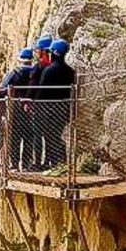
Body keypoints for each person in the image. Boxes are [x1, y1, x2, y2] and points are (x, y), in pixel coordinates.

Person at [36, 38, 77, 169]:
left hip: (48, 109)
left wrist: (35, 105)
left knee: (49, 137)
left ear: (53, 52)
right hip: (63, 108)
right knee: (56, 135)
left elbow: (41, 91)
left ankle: (53, 162)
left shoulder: (48, 71)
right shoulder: (71, 72)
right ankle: (57, 162)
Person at [22, 35, 53, 170]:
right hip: (52, 105)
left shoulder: (38, 67)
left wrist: (27, 101)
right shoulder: (52, 66)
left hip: (39, 105)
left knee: (37, 134)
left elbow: (32, 86)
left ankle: (37, 163)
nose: (36, 52)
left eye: (38, 50)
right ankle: (49, 161)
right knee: (49, 135)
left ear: (42, 50)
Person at [1, 47, 35, 170]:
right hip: (32, 108)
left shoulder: (14, 73)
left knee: (14, 137)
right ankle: (26, 164)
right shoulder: (35, 72)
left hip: (15, 108)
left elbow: (2, 88)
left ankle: (14, 164)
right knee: (28, 137)